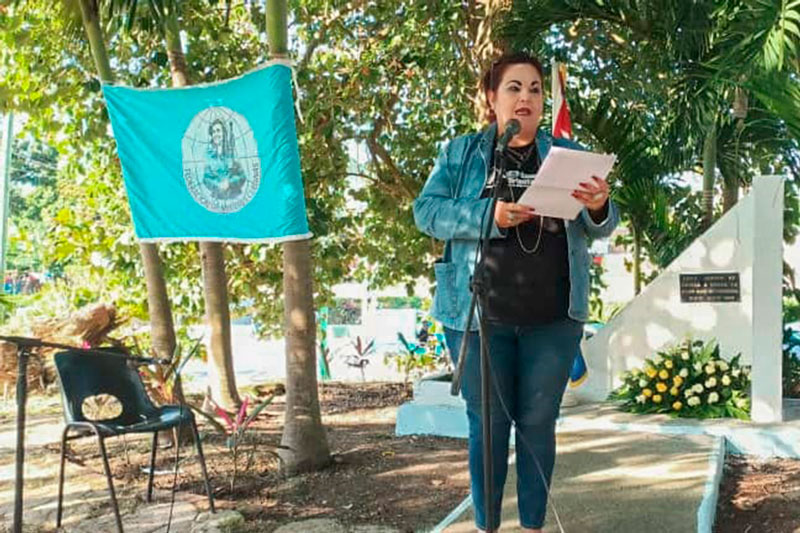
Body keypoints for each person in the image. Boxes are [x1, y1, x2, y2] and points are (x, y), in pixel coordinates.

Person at [413, 52, 619, 532]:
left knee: (537, 426)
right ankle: (487, 526)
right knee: (486, 428)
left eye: (534, 89)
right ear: (492, 98)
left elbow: (601, 226)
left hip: (554, 318)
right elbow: (426, 212)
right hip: (478, 316)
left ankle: (532, 526)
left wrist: (599, 204)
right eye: (514, 88)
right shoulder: (462, 153)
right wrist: (489, 216)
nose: (526, 98)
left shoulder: (565, 154)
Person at [203, 118, 245, 199]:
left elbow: (242, 176)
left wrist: (229, 183)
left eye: (218, 130)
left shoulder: (233, 153)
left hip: (234, 196)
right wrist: (218, 184)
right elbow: (206, 178)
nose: (216, 134)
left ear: (224, 133)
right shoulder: (209, 155)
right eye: (213, 132)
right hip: (216, 198)